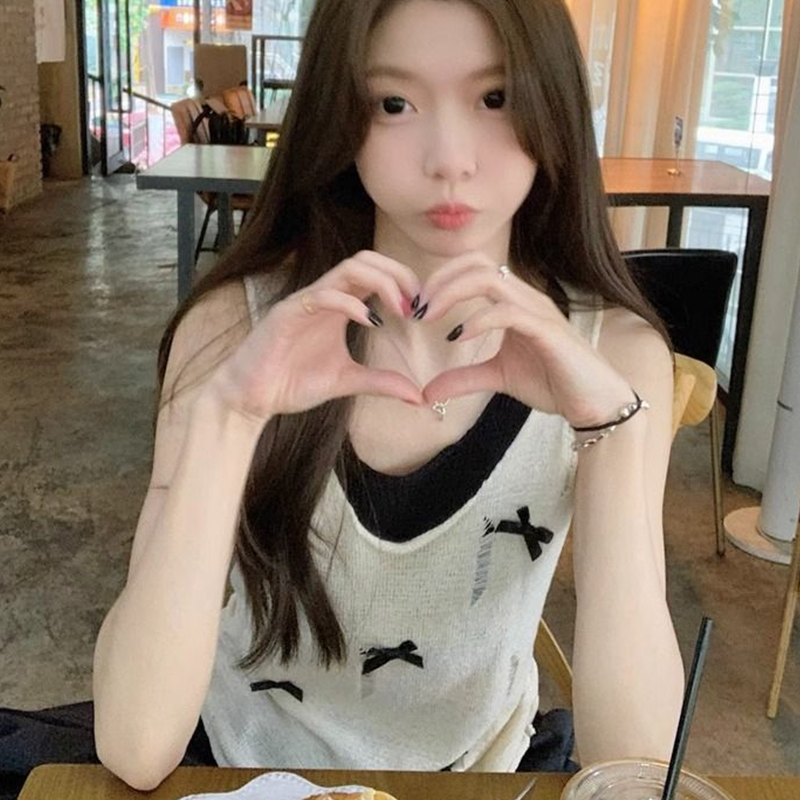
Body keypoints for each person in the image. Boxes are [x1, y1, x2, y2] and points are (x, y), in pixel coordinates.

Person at [1, 0, 686, 795]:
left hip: (479, 776)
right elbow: (136, 742)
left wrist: (613, 432)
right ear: (340, 117)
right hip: (243, 763)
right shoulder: (233, 333)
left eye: (494, 98)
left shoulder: (615, 360)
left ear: (552, 104)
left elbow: (637, 761)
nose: (449, 159)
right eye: (394, 103)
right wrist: (229, 417)